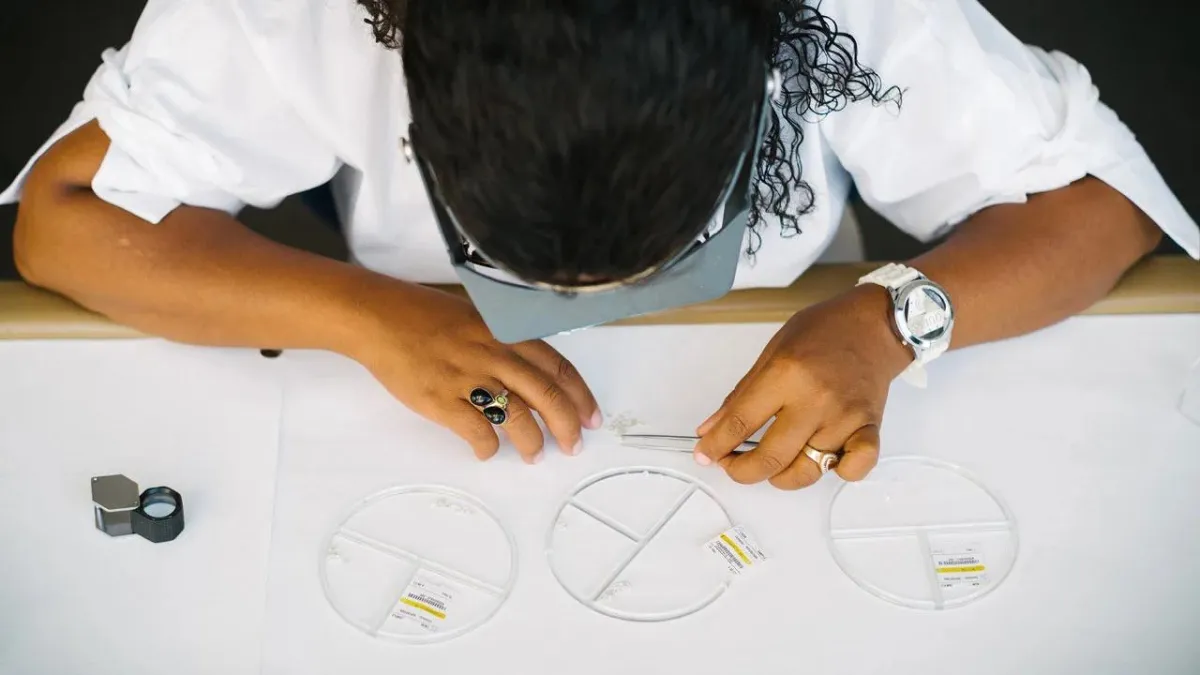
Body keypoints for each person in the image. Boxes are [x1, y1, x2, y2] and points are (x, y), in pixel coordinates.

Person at [5, 0, 1196, 489]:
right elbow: (67, 222)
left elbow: (1106, 205)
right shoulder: (278, 12)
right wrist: (366, 315)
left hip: (799, 314)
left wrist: (892, 321)